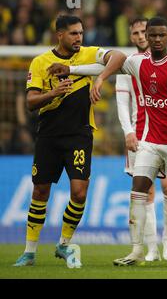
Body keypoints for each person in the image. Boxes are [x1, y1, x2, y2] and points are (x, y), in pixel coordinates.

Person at [53, 17, 167, 267]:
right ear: (147, 38)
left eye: (161, 35)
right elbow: (108, 65)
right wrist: (72, 70)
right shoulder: (137, 62)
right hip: (148, 141)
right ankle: (137, 251)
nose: (157, 39)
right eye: (152, 35)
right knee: (137, 192)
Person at [13, 15, 126, 268]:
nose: (79, 38)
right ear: (60, 35)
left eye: (81, 33)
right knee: (40, 191)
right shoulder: (41, 62)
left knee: (79, 192)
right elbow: (31, 101)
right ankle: (29, 251)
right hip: (49, 135)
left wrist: (100, 77)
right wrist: (52, 93)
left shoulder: (88, 55)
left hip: (79, 134)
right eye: (74, 33)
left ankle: (64, 244)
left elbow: (119, 57)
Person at [115, 18, 167, 262]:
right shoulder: (128, 65)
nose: (141, 36)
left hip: (166, 133)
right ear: (132, 37)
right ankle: (151, 248)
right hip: (139, 134)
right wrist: (128, 131)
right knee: (145, 190)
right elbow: (122, 103)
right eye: (137, 33)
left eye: (145, 32)